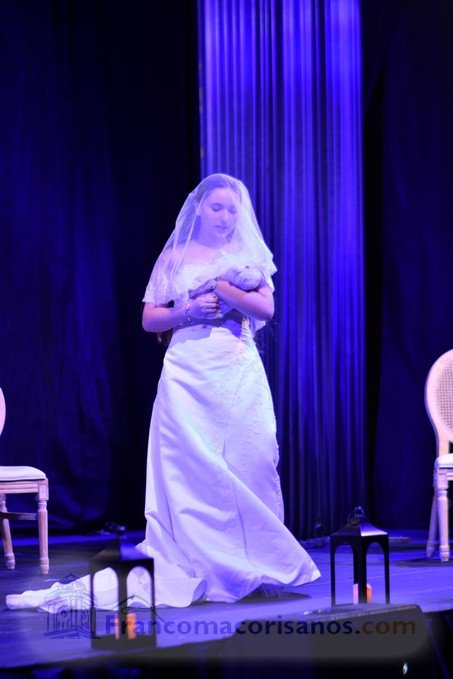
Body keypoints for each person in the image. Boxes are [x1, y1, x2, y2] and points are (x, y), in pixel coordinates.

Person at [6, 173, 319, 612]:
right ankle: (197, 559)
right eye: (216, 207)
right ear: (199, 209)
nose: (225, 216)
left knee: (253, 457)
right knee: (188, 468)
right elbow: (150, 319)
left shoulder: (248, 256)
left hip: (236, 369)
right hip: (186, 370)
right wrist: (189, 309)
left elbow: (266, 308)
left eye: (232, 209)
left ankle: (252, 562)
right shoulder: (174, 256)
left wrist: (224, 288)